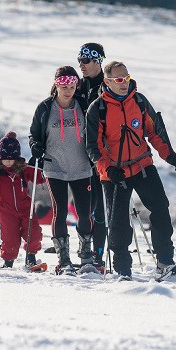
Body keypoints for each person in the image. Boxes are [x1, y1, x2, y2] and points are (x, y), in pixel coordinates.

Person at [86, 61, 176, 280]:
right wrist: (108, 169)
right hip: (114, 173)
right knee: (118, 221)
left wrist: (169, 155)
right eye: (118, 80)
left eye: (126, 78)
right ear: (107, 81)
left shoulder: (139, 101)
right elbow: (92, 146)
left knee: (160, 208)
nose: (123, 84)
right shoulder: (97, 108)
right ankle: (122, 270)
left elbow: (154, 132)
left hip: (142, 165)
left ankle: (165, 261)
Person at [29, 65, 94, 274]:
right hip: (54, 166)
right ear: (56, 84)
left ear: (76, 86)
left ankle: (86, 257)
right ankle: (64, 259)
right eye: (63, 85)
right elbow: (33, 135)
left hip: (82, 166)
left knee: (85, 213)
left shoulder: (83, 106)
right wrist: (35, 146)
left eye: (72, 86)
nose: (68, 90)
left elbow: (94, 131)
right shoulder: (45, 108)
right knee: (60, 211)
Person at [0, 131, 45, 269]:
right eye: (5, 157)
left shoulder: (24, 170)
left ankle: (31, 257)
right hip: (6, 210)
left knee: (34, 233)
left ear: (17, 157)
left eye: (11, 157)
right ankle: (8, 262)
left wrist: (41, 166)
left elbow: (40, 178)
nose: (8, 160)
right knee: (9, 239)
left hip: (26, 208)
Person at [74, 42, 108, 267]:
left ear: (98, 61)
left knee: (100, 208)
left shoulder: (107, 85)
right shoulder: (78, 86)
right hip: (80, 154)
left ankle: (98, 254)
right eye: (79, 61)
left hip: (102, 154)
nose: (81, 65)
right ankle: (85, 252)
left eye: (85, 61)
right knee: (84, 207)